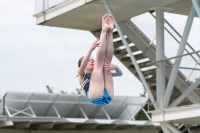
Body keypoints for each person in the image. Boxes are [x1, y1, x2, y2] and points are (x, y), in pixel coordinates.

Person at [77, 14, 123, 105]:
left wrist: (115, 68)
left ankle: (109, 31)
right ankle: (104, 30)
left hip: (106, 96)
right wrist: (91, 49)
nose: (91, 61)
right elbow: (120, 73)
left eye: (92, 60)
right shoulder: (81, 74)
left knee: (106, 64)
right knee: (101, 62)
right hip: (99, 97)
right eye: (88, 61)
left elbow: (119, 74)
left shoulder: (98, 71)